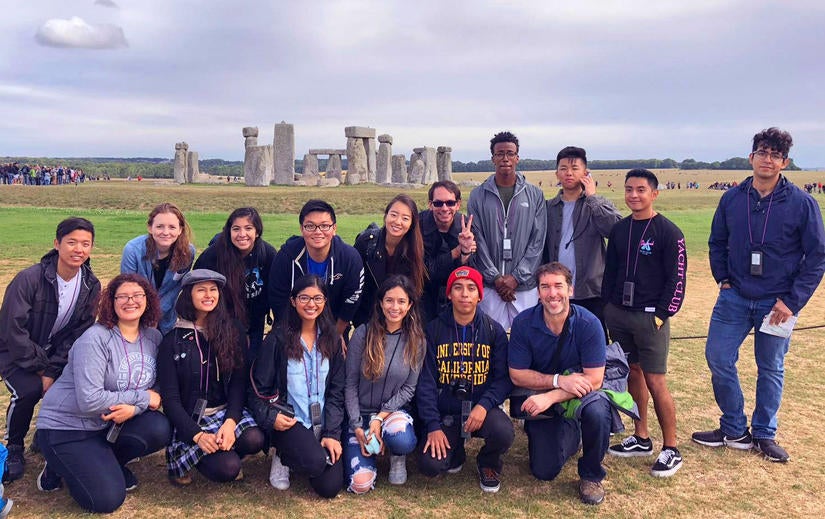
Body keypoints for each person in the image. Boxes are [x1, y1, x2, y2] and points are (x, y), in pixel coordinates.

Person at [692, 128, 825, 462]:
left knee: (771, 367)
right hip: (734, 297)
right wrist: (722, 278)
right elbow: (716, 242)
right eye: (763, 152)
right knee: (718, 358)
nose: (768, 159)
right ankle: (734, 428)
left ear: (785, 162)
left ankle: (765, 433)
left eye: (776, 155)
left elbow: (817, 256)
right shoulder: (732, 198)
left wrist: (792, 302)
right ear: (751, 157)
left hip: (777, 303)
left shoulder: (802, 203)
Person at [35, 274, 171, 513]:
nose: (131, 301)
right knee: (106, 500)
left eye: (138, 295)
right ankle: (56, 465)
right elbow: (90, 400)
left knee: (158, 427)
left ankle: (108, 463)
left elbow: (156, 389)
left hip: (105, 425)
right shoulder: (95, 338)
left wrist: (136, 407)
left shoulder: (154, 337)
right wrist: (141, 400)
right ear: (111, 301)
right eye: (122, 296)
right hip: (68, 427)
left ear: (148, 300)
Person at [0, 217, 101, 483]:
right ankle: (14, 446)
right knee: (30, 390)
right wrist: (41, 368)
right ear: (56, 244)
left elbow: (79, 334)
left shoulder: (91, 285)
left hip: (54, 355)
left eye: (85, 244)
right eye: (71, 242)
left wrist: (54, 368)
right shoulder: (29, 279)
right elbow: (12, 329)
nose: (78, 249)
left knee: (70, 387)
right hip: (13, 352)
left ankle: (45, 436)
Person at [602, 169, 686, 477]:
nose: (633, 195)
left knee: (655, 380)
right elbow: (609, 273)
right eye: (629, 190)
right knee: (631, 373)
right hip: (620, 314)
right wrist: (609, 307)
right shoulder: (621, 230)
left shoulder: (669, 232)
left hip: (651, 317)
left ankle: (672, 448)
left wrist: (663, 314)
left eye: (640, 190)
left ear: (654, 194)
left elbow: (677, 281)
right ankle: (641, 436)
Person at [508, 262, 612, 505]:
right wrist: (558, 381)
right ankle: (571, 432)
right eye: (545, 286)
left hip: (579, 395)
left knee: (598, 410)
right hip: (540, 397)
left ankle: (591, 474)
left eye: (558, 286)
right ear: (538, 292)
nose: (552, 293)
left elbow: (595, 379)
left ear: (570, 290)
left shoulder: (589, 323)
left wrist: (551, 395)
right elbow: (516, 375)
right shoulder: (523, 323)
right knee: (544, 471)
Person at [158, 269, 264, 486]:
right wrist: (197, 435)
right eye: (201, 290)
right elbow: (170, 400)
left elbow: (238, 382)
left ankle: (226, 445)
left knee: (255, 439)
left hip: (224, 411)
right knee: (229, 468)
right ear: (188, 295)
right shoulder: (172, 339)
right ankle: (192, 458)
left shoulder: (233, 330)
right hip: (191, 419)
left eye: (213, 290)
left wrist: (230, 422)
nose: (208, 295)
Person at [417, 266, 513, 493]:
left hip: (481, 409)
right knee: (430, 466)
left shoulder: (494, 330)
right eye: (457, 288)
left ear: (480, 295)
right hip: (446, 412)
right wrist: (432, 425)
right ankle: (456, 450)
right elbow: (426, 382)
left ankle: (488, 463)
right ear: (449, 294)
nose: (464, 294)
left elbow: (503, 380)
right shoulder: (433, 330)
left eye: (471, 288)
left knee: (503, 432)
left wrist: (484, 406)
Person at [249, 275, 346, 498]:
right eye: (304, 298)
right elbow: (258, 390)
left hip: (322, 422)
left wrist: (332, 433)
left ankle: (310, 452)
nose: (311, 304)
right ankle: (283, 455)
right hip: (290, 421)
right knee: (314, 462)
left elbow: (336, 392)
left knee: (329, 487)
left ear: (325, 301)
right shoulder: (278, 339)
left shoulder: (331, 338)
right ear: (293, 301)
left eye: (317, 298)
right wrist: (271, 418)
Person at [344, 275, 425, 493]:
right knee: (361, 484)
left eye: (401, 301)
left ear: (409, 306)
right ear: (380, 303)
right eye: (389, 300)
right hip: (360, 414)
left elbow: (410, 388)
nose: (394, 307)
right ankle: (366, 451)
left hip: (392, 414)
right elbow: (350, 384)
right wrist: (357, 426)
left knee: (402, 440)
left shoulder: (417, 340)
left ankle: (395, 454)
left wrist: (380, 418)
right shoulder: (363, 333)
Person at [468, 131, 546, 330]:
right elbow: (478, 240)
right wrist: (496, 278)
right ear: (492, 158)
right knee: (492, 339)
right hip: (490, 286)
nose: (505, 158)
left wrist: (516, 278)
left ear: (517, 158)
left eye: (510, 153)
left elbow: (537, 241)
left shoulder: (534, 194)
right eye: (500, 153)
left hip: (524, 286)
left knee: (526, 340)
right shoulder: (478, 195)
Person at [544, 146, 620, 335]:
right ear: (557, 174)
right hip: (556, 292)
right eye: (563, 169)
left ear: (586, 173)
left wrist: (592, 197)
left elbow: (614, 231)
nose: (569, 173)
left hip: (591, 290)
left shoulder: (597, 204)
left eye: (575, 168)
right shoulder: (548, 207)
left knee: (594, 342)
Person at [268, 199, 364, 336]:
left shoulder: (350, 258)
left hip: (334, 325)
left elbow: (351, 300)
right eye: (310, 226)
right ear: (302, 229)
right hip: (292, 327)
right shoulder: (286, 257)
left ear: (334, 229)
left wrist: (336, 335)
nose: (318, 232)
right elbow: (278, 300)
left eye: (325, 226)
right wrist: (295, 336)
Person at [194, 207, 277, 355]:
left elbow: (274, 290)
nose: (242, 234)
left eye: (248, 228)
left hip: (254, 321)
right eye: (236, 229)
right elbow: (195, 287)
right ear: (229, 232)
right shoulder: (213, 255)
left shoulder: (268, 254)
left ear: (257, 232)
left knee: (251, 362)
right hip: (220, 320)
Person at [121, 202, 196, 334]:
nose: (166, 232)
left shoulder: (188, 252)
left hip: (166, 318)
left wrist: (157, 312)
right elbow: (127, 288)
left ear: (180, 230)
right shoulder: (132, 250)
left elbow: (177, 287)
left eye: (172, 227)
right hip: (136, 316)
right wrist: (148, 315)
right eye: (160, 226)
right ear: (150, 228)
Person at [353, 194, 426, 328]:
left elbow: (414, 293)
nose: (398, 222)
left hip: (399, 319)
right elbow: (354, 284)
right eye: (393, 215)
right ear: (386, 216)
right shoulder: (366, 243)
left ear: (412, 224)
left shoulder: (415, 250)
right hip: (367, 318)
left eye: (405, 218)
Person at [420, 180, 477, 322]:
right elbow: (423, 271)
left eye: (450, 203)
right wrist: (457, 252)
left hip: (455, 297)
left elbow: (470, 274)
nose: (445, 208)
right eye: (438, 203)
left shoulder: (467, 229)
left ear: (458, 204)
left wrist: (465, 252)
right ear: (430, 204)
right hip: (423, 296)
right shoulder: (417, 226)